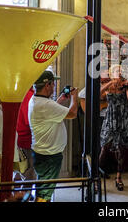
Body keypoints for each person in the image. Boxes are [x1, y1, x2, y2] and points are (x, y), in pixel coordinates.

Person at [28, 70, 79, 202]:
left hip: (41, 152)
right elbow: (72, 114)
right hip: (49, 156)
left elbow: (50, 112)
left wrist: (60, 100)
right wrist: (75, 96)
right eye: (53, 84)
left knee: (43, 187)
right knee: (44, 193)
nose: (54, 86)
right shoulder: (46, 105)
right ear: (47, 85)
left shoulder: (35, 100)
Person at [99, 64, 128, 191]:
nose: (120, 72)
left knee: (121, 150)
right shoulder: (108, 85)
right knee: (104, 148)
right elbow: (99, 93)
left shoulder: (125, 85)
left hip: (123, 118)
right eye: (118, 70)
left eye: (121, 70)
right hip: (110, 117)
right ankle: (96, 177)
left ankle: (119, 177)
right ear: (112, 73)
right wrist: (111, 82)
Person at [16, 87, 37, 182]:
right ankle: (25, 196)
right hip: (26, 140)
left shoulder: (19, 92)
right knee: (29, 174)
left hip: (19, 137)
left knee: (21, 172)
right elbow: (28, 120)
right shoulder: (28, 95)